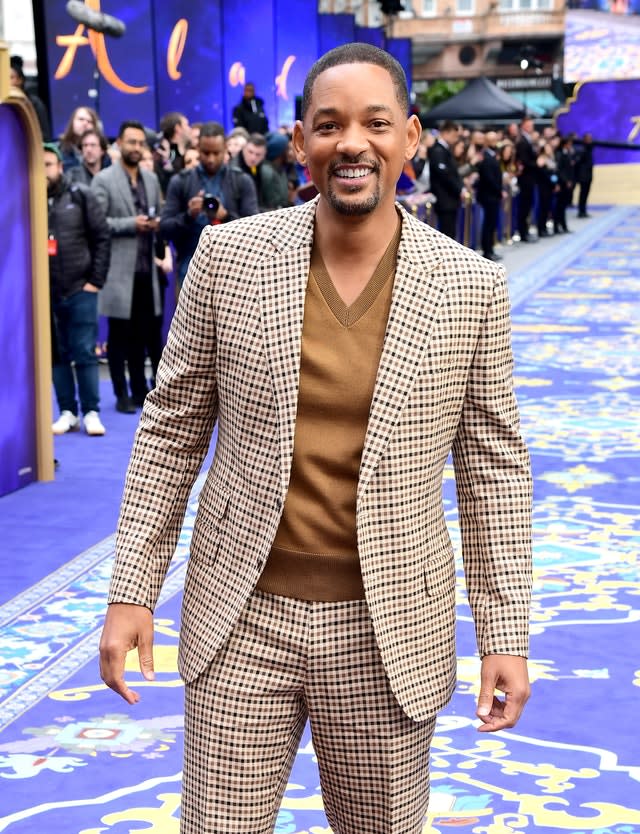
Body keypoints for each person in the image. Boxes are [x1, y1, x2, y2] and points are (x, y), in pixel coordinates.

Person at [99, 42, 533, 834]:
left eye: (376, 123)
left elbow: (493, 471)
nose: (352, 143)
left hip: (388, 627)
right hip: (242, 617)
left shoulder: (471, 286)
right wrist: (133, 586)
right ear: (300, 143)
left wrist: (505, 632)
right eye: (329, 125)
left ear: (410, 139)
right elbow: (170, 431)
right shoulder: (230, 260)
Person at [91, 120, 165, 414]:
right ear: (118, 144)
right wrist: (130, 225)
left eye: (140, 143)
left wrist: (155, 223)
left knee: (145, 335)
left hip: (148, 270)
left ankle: (139, 391)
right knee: (119, 337)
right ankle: (120, 392)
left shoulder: (151, 179)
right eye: (130, 142)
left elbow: (158, 213)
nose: (136, 148)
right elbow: (98, 224)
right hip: (119, 271)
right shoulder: (103, 180)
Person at [45, 143, 110, 436]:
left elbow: (102, 237)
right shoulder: (30, 200)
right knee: (56, 354)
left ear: (59, 166)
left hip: (81, 287)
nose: (44, 171)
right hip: (46, 293)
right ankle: (68, 411)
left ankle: (92, 411)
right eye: (39, 165)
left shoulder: (80, 195)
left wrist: (95, 280)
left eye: (48, 165)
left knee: (84, 351)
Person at [159, 121, 258, 286]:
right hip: (190, 267)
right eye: (206, 153)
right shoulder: (180, 181)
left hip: (234, 271)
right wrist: (188, 215)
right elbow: (165, 229)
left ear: (225, 148)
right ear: (198, 148)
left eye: (216, 153)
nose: (211, 159)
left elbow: (256, 231)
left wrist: (226, 216)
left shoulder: (242, 181)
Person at [429, 119, 466, 239]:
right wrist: (459, 189)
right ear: (446, 133)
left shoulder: (444, 149)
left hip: (450, 199)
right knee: (447, 233)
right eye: (454, 135)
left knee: (450, 231)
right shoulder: (438, 150)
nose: (456, 139)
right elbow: (445, 175)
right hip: (444, 199)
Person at [475, 131, 504, 261]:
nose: (495, 143)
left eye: (495, 140)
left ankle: (491, 249)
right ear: (487, 142)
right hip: (489, 196)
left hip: (493, 195)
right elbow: (489, 178)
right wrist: (499, 190)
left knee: (492, 224)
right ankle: (487, 251)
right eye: (492, 141)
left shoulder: (492, 156)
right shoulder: (486, 157)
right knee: (488, 224)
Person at [515, 115, 539, 243]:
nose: (531, 127)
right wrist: (537, 163)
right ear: (523, 125)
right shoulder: (523, 141)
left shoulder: (528, 139)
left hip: (530, 178)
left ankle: (525, 230)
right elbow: (524, 161)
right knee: (524, 206)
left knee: (528, 206)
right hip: (525, 178)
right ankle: (523, 232)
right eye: (529, 125)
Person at [575, 132, 594, 218]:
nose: (590, 140)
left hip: (588, 175)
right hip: (583, 176)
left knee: (585, 193)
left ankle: (583, 210)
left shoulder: (589, 149)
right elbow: (578, 163)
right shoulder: (582, 150)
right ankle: (581, 211)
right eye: (588, 139)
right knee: (583, 194)